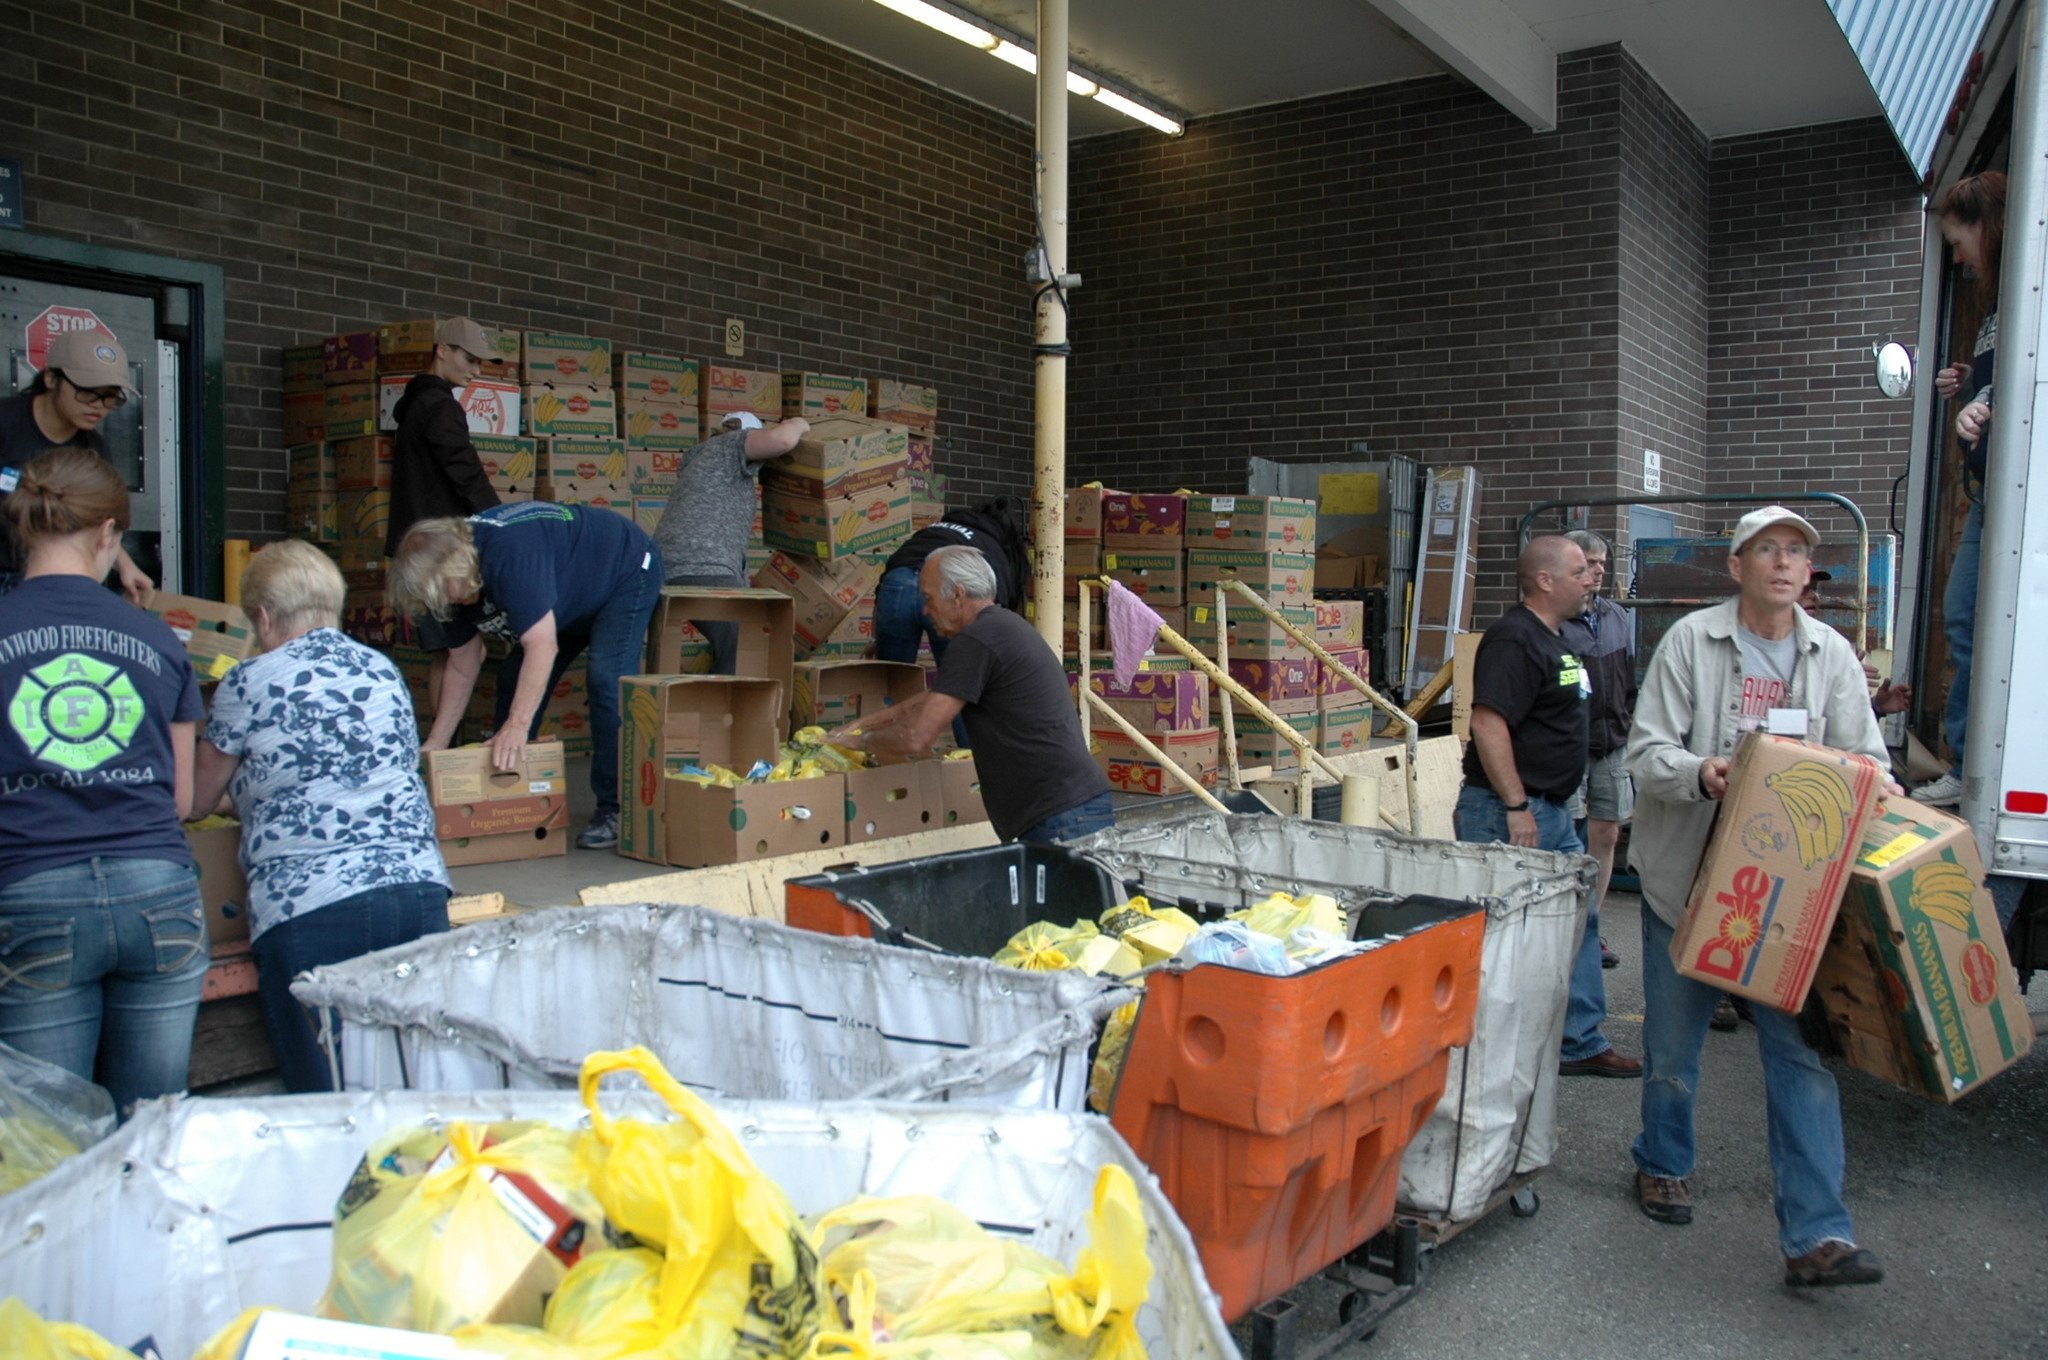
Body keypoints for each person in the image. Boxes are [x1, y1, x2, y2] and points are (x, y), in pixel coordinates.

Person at [1625, 506, 1899, 1287]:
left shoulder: (1832, 655)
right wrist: (1703, 773)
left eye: (1796, 553)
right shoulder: (1691, 642)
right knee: (1674, 1052)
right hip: (1688, 879)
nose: (1782, 563)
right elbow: (1647, 754)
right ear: (1736, 565)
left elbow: (1865, 760)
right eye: (1766, 550)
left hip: (1788, 898)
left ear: (1809, 574)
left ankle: (1819, 1235)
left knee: (1802, 1058)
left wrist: (1877, 790)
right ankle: (1662, 1160)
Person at [191, 541, 451, 1093]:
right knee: (416, 1078)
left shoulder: (247, 681)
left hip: (312, 905)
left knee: (329, 1096)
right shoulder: (383, 672)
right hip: (416, 891)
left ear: (263, 617)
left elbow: (193, 799)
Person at [0, 449, 205, 1114]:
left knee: (52, 1135)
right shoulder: (160, 640)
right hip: (161, 892)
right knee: (154, 1124)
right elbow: (179, 799)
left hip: (32, 893)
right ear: (109, 535)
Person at [1458, 534, 1641, 1078]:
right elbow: (1488, 723)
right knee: (1501, 932)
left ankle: (1579, 1042)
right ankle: (1475, 1046)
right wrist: (1516, 805)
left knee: (1577, 923)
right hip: (1510, 813)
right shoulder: (1515, 639)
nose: (1592, 579)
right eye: (1581, 571)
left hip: (1553, 811)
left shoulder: (1557, 637)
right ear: (1545, 580)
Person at [390, 502, 665, 850]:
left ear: (458, 570)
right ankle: (510, 798)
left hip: (624, 569)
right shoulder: (447, 587)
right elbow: (463, 663)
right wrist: (438, 742)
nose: (440, 604)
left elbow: (542, 645)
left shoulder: (510, 555)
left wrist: (517, 726)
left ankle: (616, 808)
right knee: (512, 678)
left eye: (441, 593)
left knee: (606, 681)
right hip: (568, 591)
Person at [830, 545, 1113, 845]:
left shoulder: (976, 640)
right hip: (1071, 808)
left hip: (1060, 816)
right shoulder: (1000, 626)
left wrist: (861, 743)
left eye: (928, 598)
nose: (925, 610)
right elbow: (933, 699)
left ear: (957, 594)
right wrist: (865, 723)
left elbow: (916, 737)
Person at [1916, 170, 2005, 809]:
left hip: (2009, 495)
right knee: (1964, 616)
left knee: (1971, 616)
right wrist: (1971, 380)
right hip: (1988, 490)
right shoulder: (2002, 309)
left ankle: (1973, 762)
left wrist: (1990, 399)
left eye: (1957, 239)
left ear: (1987, 224)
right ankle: (1968, 758)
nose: (1956, 256)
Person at [652, 411, 809, 674]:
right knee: (745, 641)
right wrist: (798, 424)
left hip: (675, 566)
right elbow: (782, 441)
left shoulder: (707, 462)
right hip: (700, 566)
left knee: (734, 640)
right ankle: (728, 709)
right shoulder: (729, 445)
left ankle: (710, 702)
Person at [0, 330, 152, 601]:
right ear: (51, 378)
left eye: (110, 397)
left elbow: (102, 521)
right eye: (87, 393)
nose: (99, 407)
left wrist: (126, 566)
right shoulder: (6, 422)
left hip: (55, 582)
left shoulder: (94, 448)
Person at [875, 495, 1030, 748]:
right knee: (961, 686)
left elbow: (890, 573)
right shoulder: (990, 546)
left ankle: (886, 763)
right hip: (947, 594)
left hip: (897, 586)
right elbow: (994, 601)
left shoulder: (935, 530)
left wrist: (879, 633)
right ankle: (969, 765)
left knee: (890, 684)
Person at [1561, 529, 1635, 975]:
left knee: (1606, 833)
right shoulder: (1554, 619)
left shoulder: (1616, 616)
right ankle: (1564, 926)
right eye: (1589, 562)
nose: (1598, 570)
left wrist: (1627, 722)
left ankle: (1591, 924)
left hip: (1613, 741)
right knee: (1567, 834)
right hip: (1568, 745)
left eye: (1603, 563)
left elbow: (1626, 675)